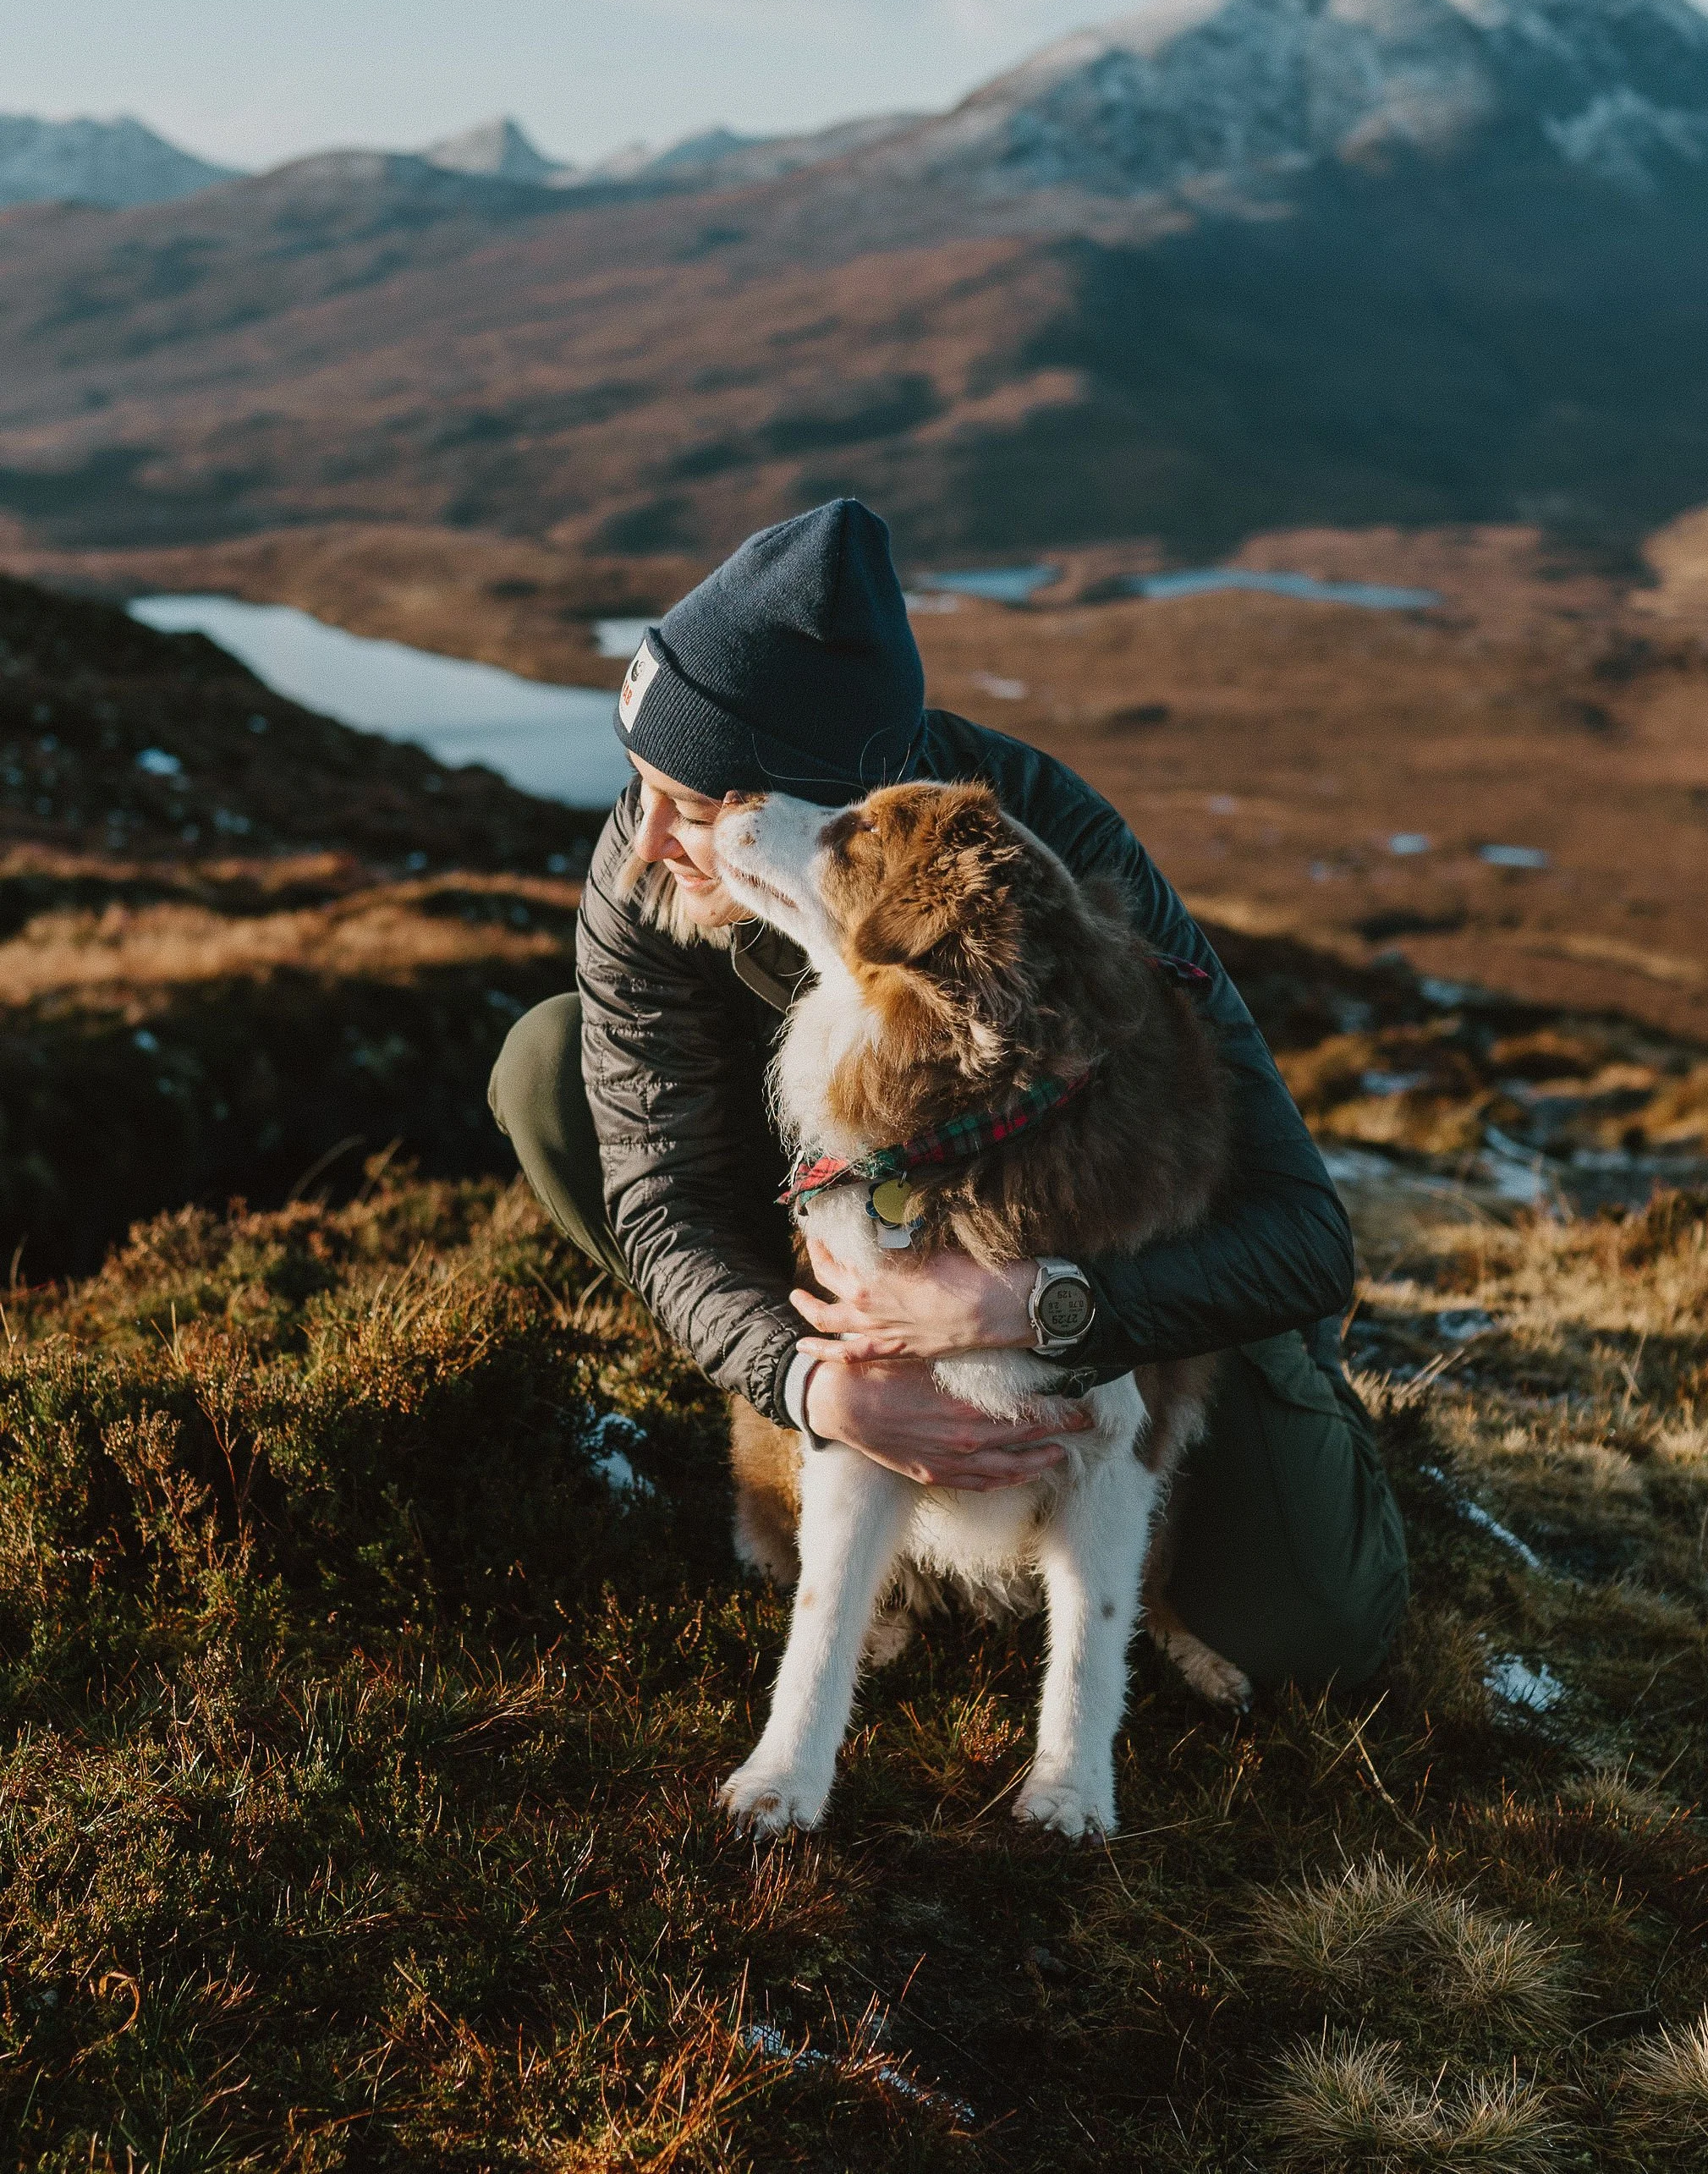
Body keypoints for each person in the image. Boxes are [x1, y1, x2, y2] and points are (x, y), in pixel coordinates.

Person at [491, 499, 1407, 1688]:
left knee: (1319, 1637)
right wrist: (811, 1381)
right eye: (642, 783)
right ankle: (858, 1445)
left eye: (700, 808)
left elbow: (1301, 1237)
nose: (644, 836)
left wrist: (1045, 1306)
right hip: (853, 1257)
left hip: (1123, 1307)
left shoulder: (1046, 863)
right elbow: (662, 1201)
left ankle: (1306, 1467)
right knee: (550, 1071)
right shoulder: (644, 875)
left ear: (812, 813)